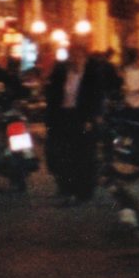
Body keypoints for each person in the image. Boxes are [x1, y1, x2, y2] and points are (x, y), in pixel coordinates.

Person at [41, 47, 121, 205]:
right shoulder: (61, 73)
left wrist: (92, 117)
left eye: (79, 57)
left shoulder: (91, 76)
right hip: (63, 116)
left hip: (82, 117)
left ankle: (83, 190)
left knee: (83, 154)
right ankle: (67, 187)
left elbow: (97, 97)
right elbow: (53, 95)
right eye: (73, 57)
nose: (75, 61)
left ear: (84, 59)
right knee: (63, 153)